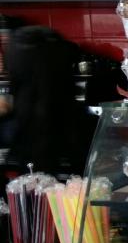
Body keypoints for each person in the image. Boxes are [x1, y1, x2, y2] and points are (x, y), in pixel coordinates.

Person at [5, 26, 87, 176]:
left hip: (30, 122)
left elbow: (14, 86)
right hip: (59, 121)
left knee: (34, 176)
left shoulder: (16, 50)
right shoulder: (57, 49)